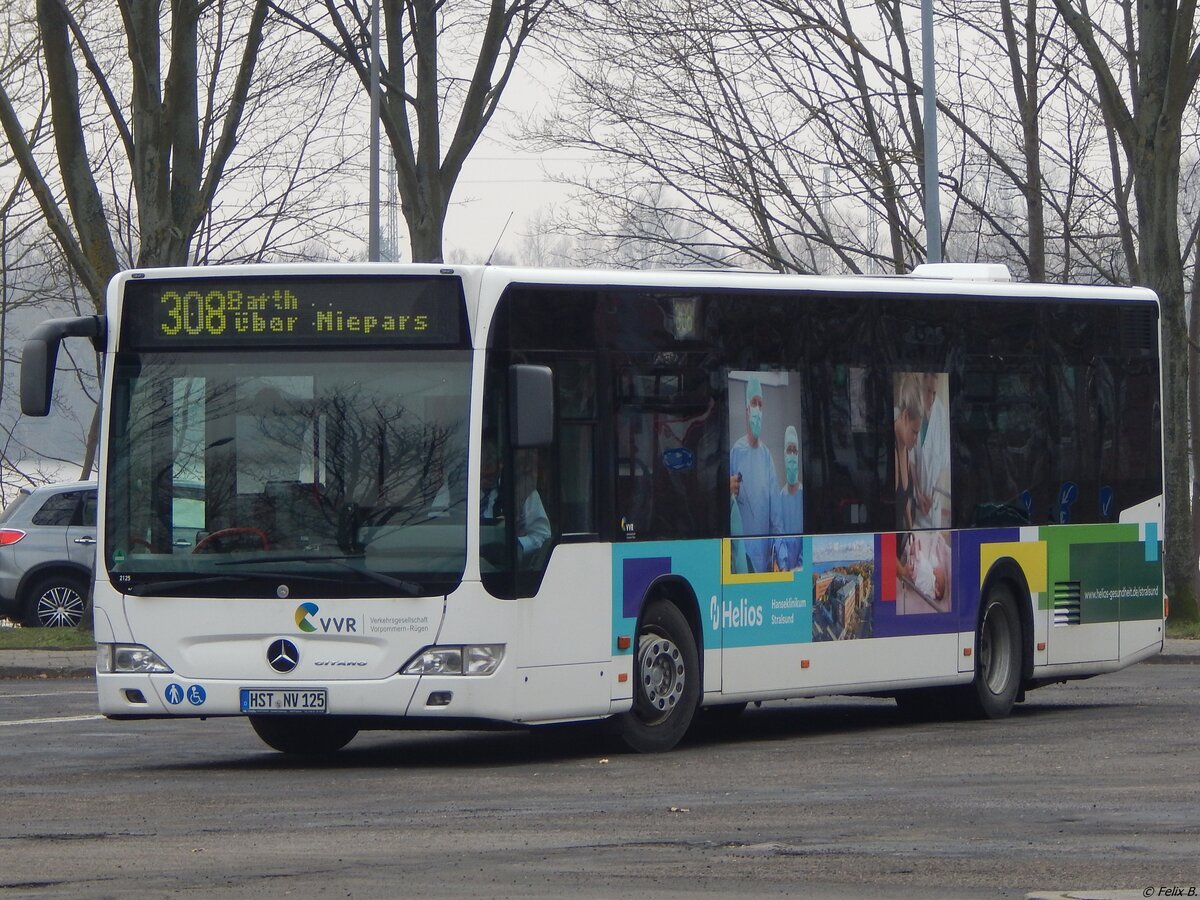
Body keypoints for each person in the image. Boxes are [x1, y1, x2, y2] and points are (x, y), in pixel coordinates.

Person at [730, 376, 778, 573]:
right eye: (753, 403)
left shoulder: (767, 457)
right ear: (747, 409)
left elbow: (776, 515)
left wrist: (778, 556)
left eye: (760, 404)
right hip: (742, 558)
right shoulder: (736, 452)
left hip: (766, 559)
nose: (757, 409)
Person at [914, 372, 951, 529]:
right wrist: (918, 495)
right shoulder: (913, 410)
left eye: (934, 392)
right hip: (915, 499)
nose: (932, 397)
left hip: (933, 501)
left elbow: (944, 458)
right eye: (928, 391)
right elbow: (909, 460)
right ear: (921, 388)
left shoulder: (940, 412)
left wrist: (933, 495)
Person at [894, 373, 924, 532]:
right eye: (915, 432)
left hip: (899, 546)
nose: (916, 439)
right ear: (905, 416)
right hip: (889, 551)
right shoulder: (890, 451)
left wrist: (912, 531)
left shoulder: (905, 447)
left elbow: (904, 499)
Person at [771, 424, 804, 571]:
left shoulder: (804, 497)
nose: (791, 455)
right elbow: (777, 534)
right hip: (783, 572)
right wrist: (782, 566)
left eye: (794, 451)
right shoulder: (779, 498)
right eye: (788, 451)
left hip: (801, 569)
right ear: (784, 455)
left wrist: (799, 566)